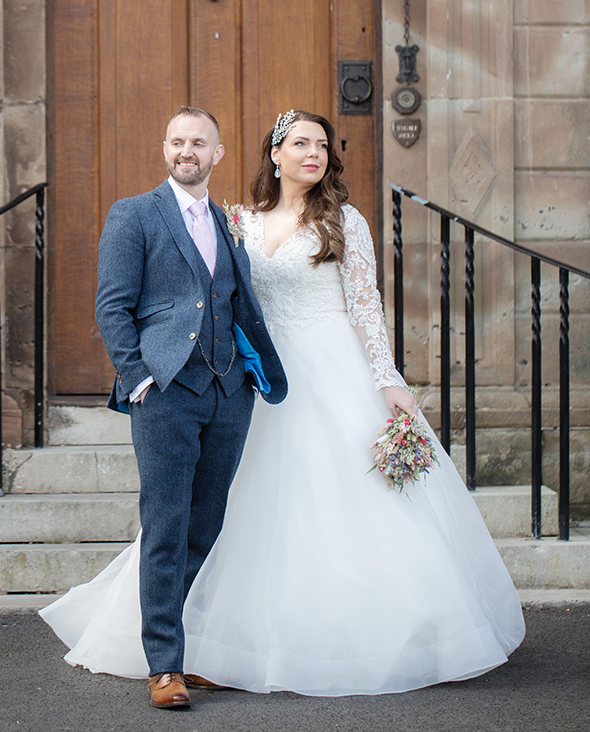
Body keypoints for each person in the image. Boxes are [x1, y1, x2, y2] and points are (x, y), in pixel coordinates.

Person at [41, 109, 525, 698]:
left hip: (329, 368)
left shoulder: (344, 221)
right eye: (300, 144)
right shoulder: (235, 221)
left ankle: (340, 635)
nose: (313, 154)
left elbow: (365, 305)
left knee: (328, 503)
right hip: (248, 378)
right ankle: (185, 644)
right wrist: (145, 374)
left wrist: (386, 376)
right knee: (220, 510)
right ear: (275, 154)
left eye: (322, 145)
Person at [40, 106, 287, 709]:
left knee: (207, 524)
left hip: (229, 392)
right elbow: (112, 306)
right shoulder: (135, 214)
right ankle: (164, 666)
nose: (187, 151)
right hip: (167, 392)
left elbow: (234, 300)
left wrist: (253, 373)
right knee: (167, 524)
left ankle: (183, 645)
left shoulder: (228, 223)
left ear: (217, 154)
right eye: (177, 141)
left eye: (198, 143)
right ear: (164, 149)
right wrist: (138, 375)